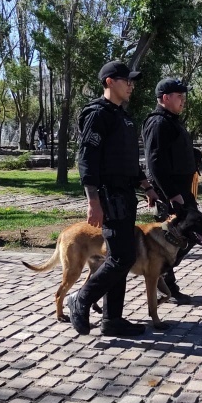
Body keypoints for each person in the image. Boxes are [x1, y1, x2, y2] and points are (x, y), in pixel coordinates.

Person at [67, 60, 160, 337]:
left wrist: (146, 185)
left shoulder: (124, 117)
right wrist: (93, 200)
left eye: (132, 81)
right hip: (108, 196)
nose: (131, 85)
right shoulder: (98, 114)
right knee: (121, 257)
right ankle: (81, 298)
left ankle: (112, 319)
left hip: (126, 195)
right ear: (109, 82)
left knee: (124, 256)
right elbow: (87, 160)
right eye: (126, 80)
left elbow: (129, 162)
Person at [142, 78, 202, 305]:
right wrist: (169, 194)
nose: (183, 101)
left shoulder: (171, 121)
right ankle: (161, 278)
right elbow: (155, 164)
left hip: (182, 190)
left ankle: (162, 279)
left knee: (187, 236)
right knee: (181, 237)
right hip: (173, 193)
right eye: (179, 97)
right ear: (165, 98)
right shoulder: (158, 123)